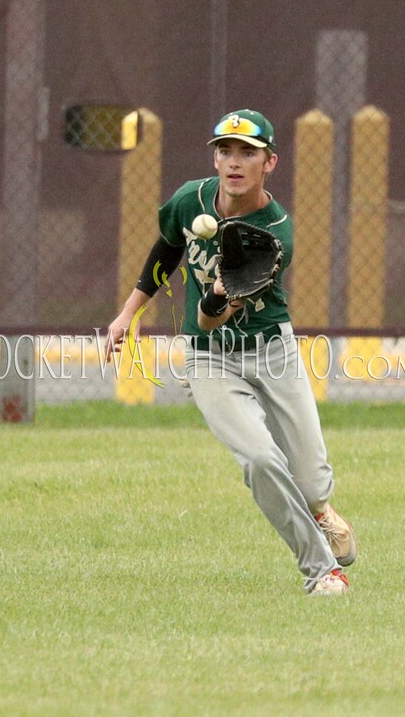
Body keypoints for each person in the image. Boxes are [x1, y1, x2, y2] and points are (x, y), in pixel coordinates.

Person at [106, 109, 356, 595]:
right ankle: (322, 570)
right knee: (261, 461)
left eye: (248, 152)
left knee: (309, 477)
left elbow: (209, 314)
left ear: (271, 163)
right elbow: (166, 250)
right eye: (225, 151)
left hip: (271, 350)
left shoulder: (274, 232)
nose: (234, 162)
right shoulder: (189, 200)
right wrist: (127, 314)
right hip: (209, 359)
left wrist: (216, 296)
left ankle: (320, 509)